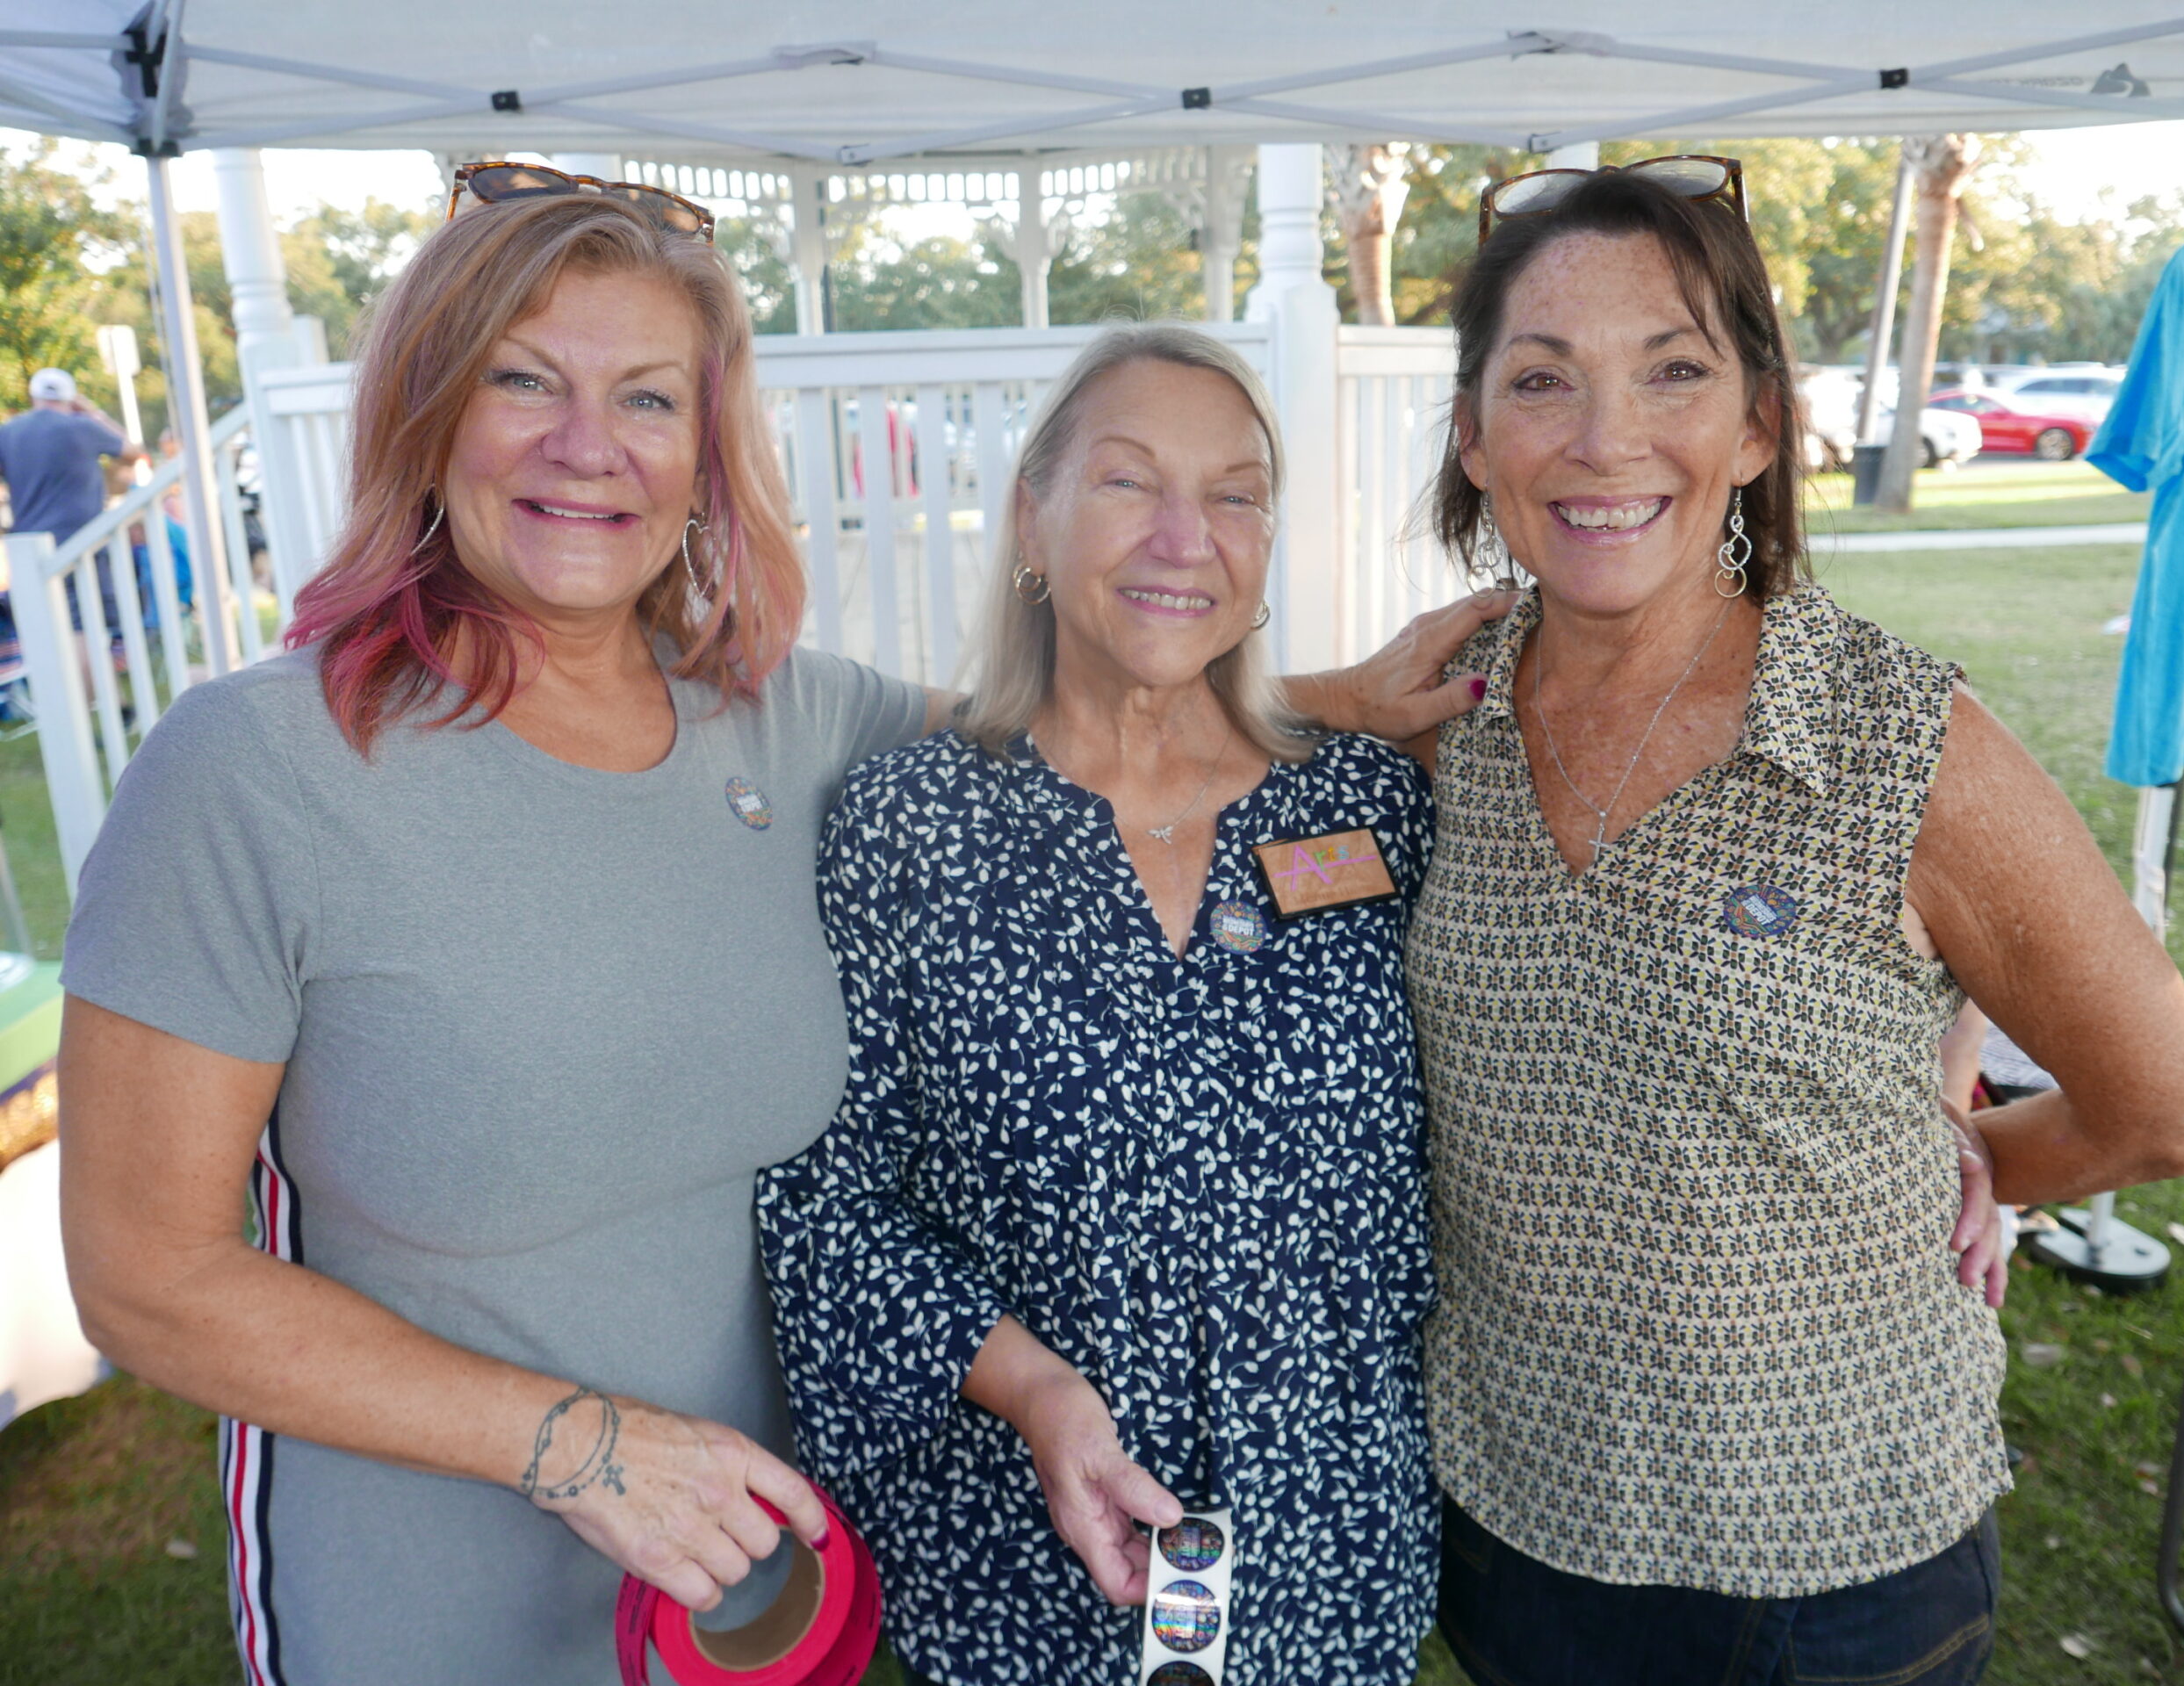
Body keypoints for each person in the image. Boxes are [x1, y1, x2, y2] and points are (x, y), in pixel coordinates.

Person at [56, 173, 1496, 1683]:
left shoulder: (775, 720)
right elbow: (146, 1275)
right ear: (425, 415)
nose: (588, 446)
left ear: (703, 454)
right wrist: (581, 1448)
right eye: (522, 381)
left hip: (764, 1592)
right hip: (440, 1609)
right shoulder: (258, 769)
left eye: (648, 398)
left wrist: (1327, 706)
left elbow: (1094, 729)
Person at [1402, 159, 2184, 1686]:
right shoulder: (1431, 719)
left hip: (1832, 1572)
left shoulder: (1902, 744)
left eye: (1673, 370)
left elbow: (2171, 1105)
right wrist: (1325, 695)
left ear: (1758, 425)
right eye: (1542, 378)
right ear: (1474, 434)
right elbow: (1159, 740)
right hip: (1511, 1525)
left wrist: (1978, 1163)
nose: (1604, 438)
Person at [760, 325, 1441, 1686]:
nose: (1187, 537)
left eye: (1235, 494)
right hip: (1020, 1557)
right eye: (1130, 482)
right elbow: (826, 1213)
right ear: (1033, 519)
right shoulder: (909, 828)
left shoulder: (1373, 804)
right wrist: (1034, 1389)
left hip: (1333, 1546)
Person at [0, 368, 147, 638]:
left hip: (29, 546)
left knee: (45, 626)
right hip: (83, 542)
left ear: (33, 397)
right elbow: (133, 452)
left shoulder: (8, 432)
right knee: (87, 626)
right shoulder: (83, 426)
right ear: (71, 399)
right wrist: (93, 412)